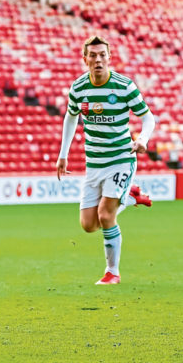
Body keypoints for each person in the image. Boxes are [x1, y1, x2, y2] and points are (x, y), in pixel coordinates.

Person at [56, 36, 156, 285]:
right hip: (94, 163)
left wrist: (143, 139)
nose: (98, 59)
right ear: (85, 59)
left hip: (121, 158)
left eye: (102, 55)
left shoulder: (124, 86)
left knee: (105, 215)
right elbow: (71, 117)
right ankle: (130, 197)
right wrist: (63, 154)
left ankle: (113, 272)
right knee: (88, 225)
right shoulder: (78, 88)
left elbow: (148, 117)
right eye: (93, 55)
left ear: (109, 58)